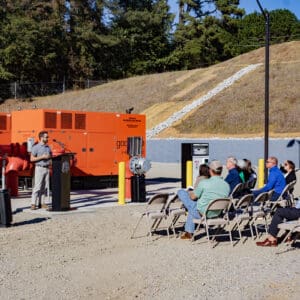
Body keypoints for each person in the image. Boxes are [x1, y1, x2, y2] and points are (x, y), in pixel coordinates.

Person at [177, 160, 230, 240]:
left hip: (202, 213)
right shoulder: (226, 185)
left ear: (210, 170)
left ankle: (188, 233)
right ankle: (188, 233)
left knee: (181, 192)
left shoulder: (204, 183)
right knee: (193, 207)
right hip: (217, 213)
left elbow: (193, 197)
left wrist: (189, 193)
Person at [30, 131, 52, 210]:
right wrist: (42, 157)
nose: (47, 138)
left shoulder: (48, 147)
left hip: (47, 168)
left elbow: (50, 157)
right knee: (37, 187)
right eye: (46, 137)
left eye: (47, 137)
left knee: (45, 187)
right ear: (42, 138)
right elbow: (31, 159)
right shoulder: (36, 147)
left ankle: (43, 203)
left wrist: (50, 159)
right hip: (39, 168)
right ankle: (33, 203)